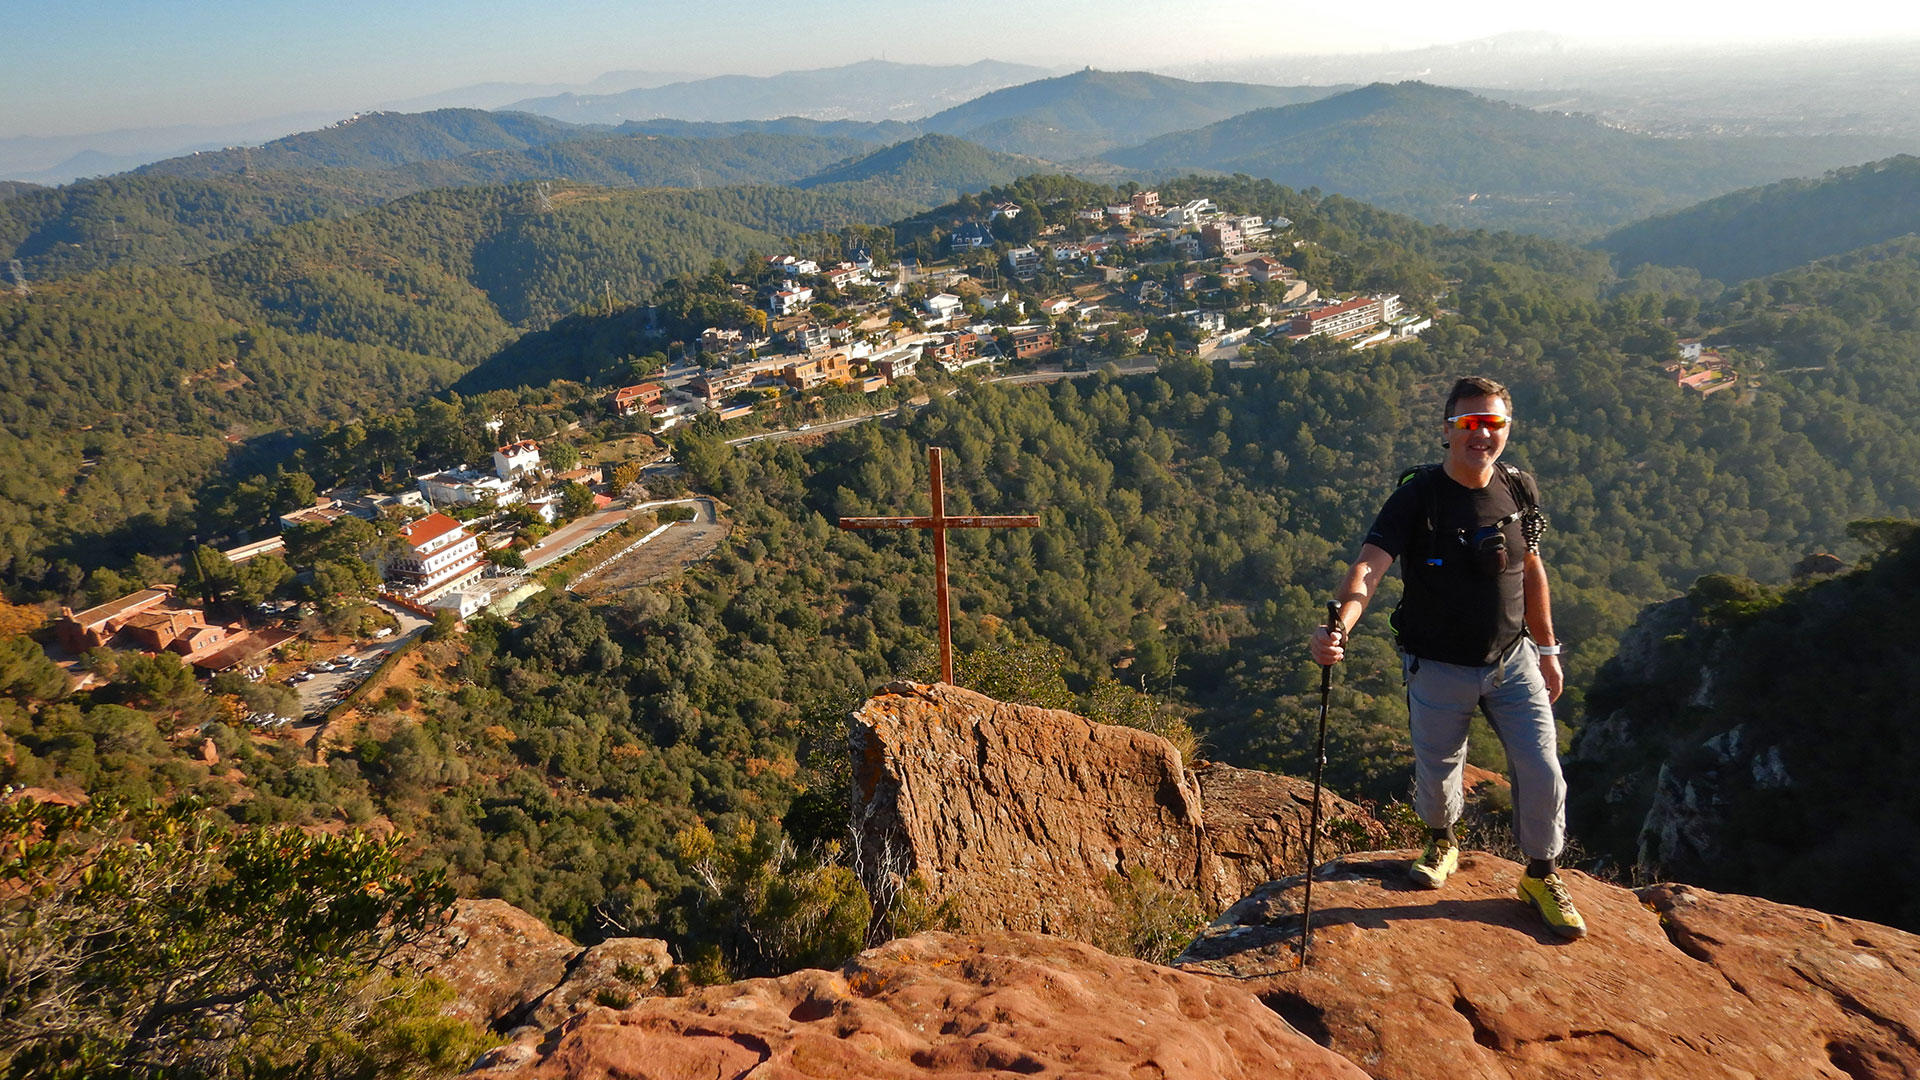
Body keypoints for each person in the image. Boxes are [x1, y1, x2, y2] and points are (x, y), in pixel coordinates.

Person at [1307, 376, 1587, 939]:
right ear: (1446, 428)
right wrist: (1339, 625)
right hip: (1436, 665)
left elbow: (1531, 570)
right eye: (1469, 421)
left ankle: (1540, 873)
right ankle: (1442, 842)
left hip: (1514, 661)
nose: (1481, 433)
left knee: (1544, 772)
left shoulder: (1518, 487)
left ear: (1507, 429)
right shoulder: (1419, 495)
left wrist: (1549, 648)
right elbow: (1369, 567)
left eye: (1493, 423)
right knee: (1437, 777)